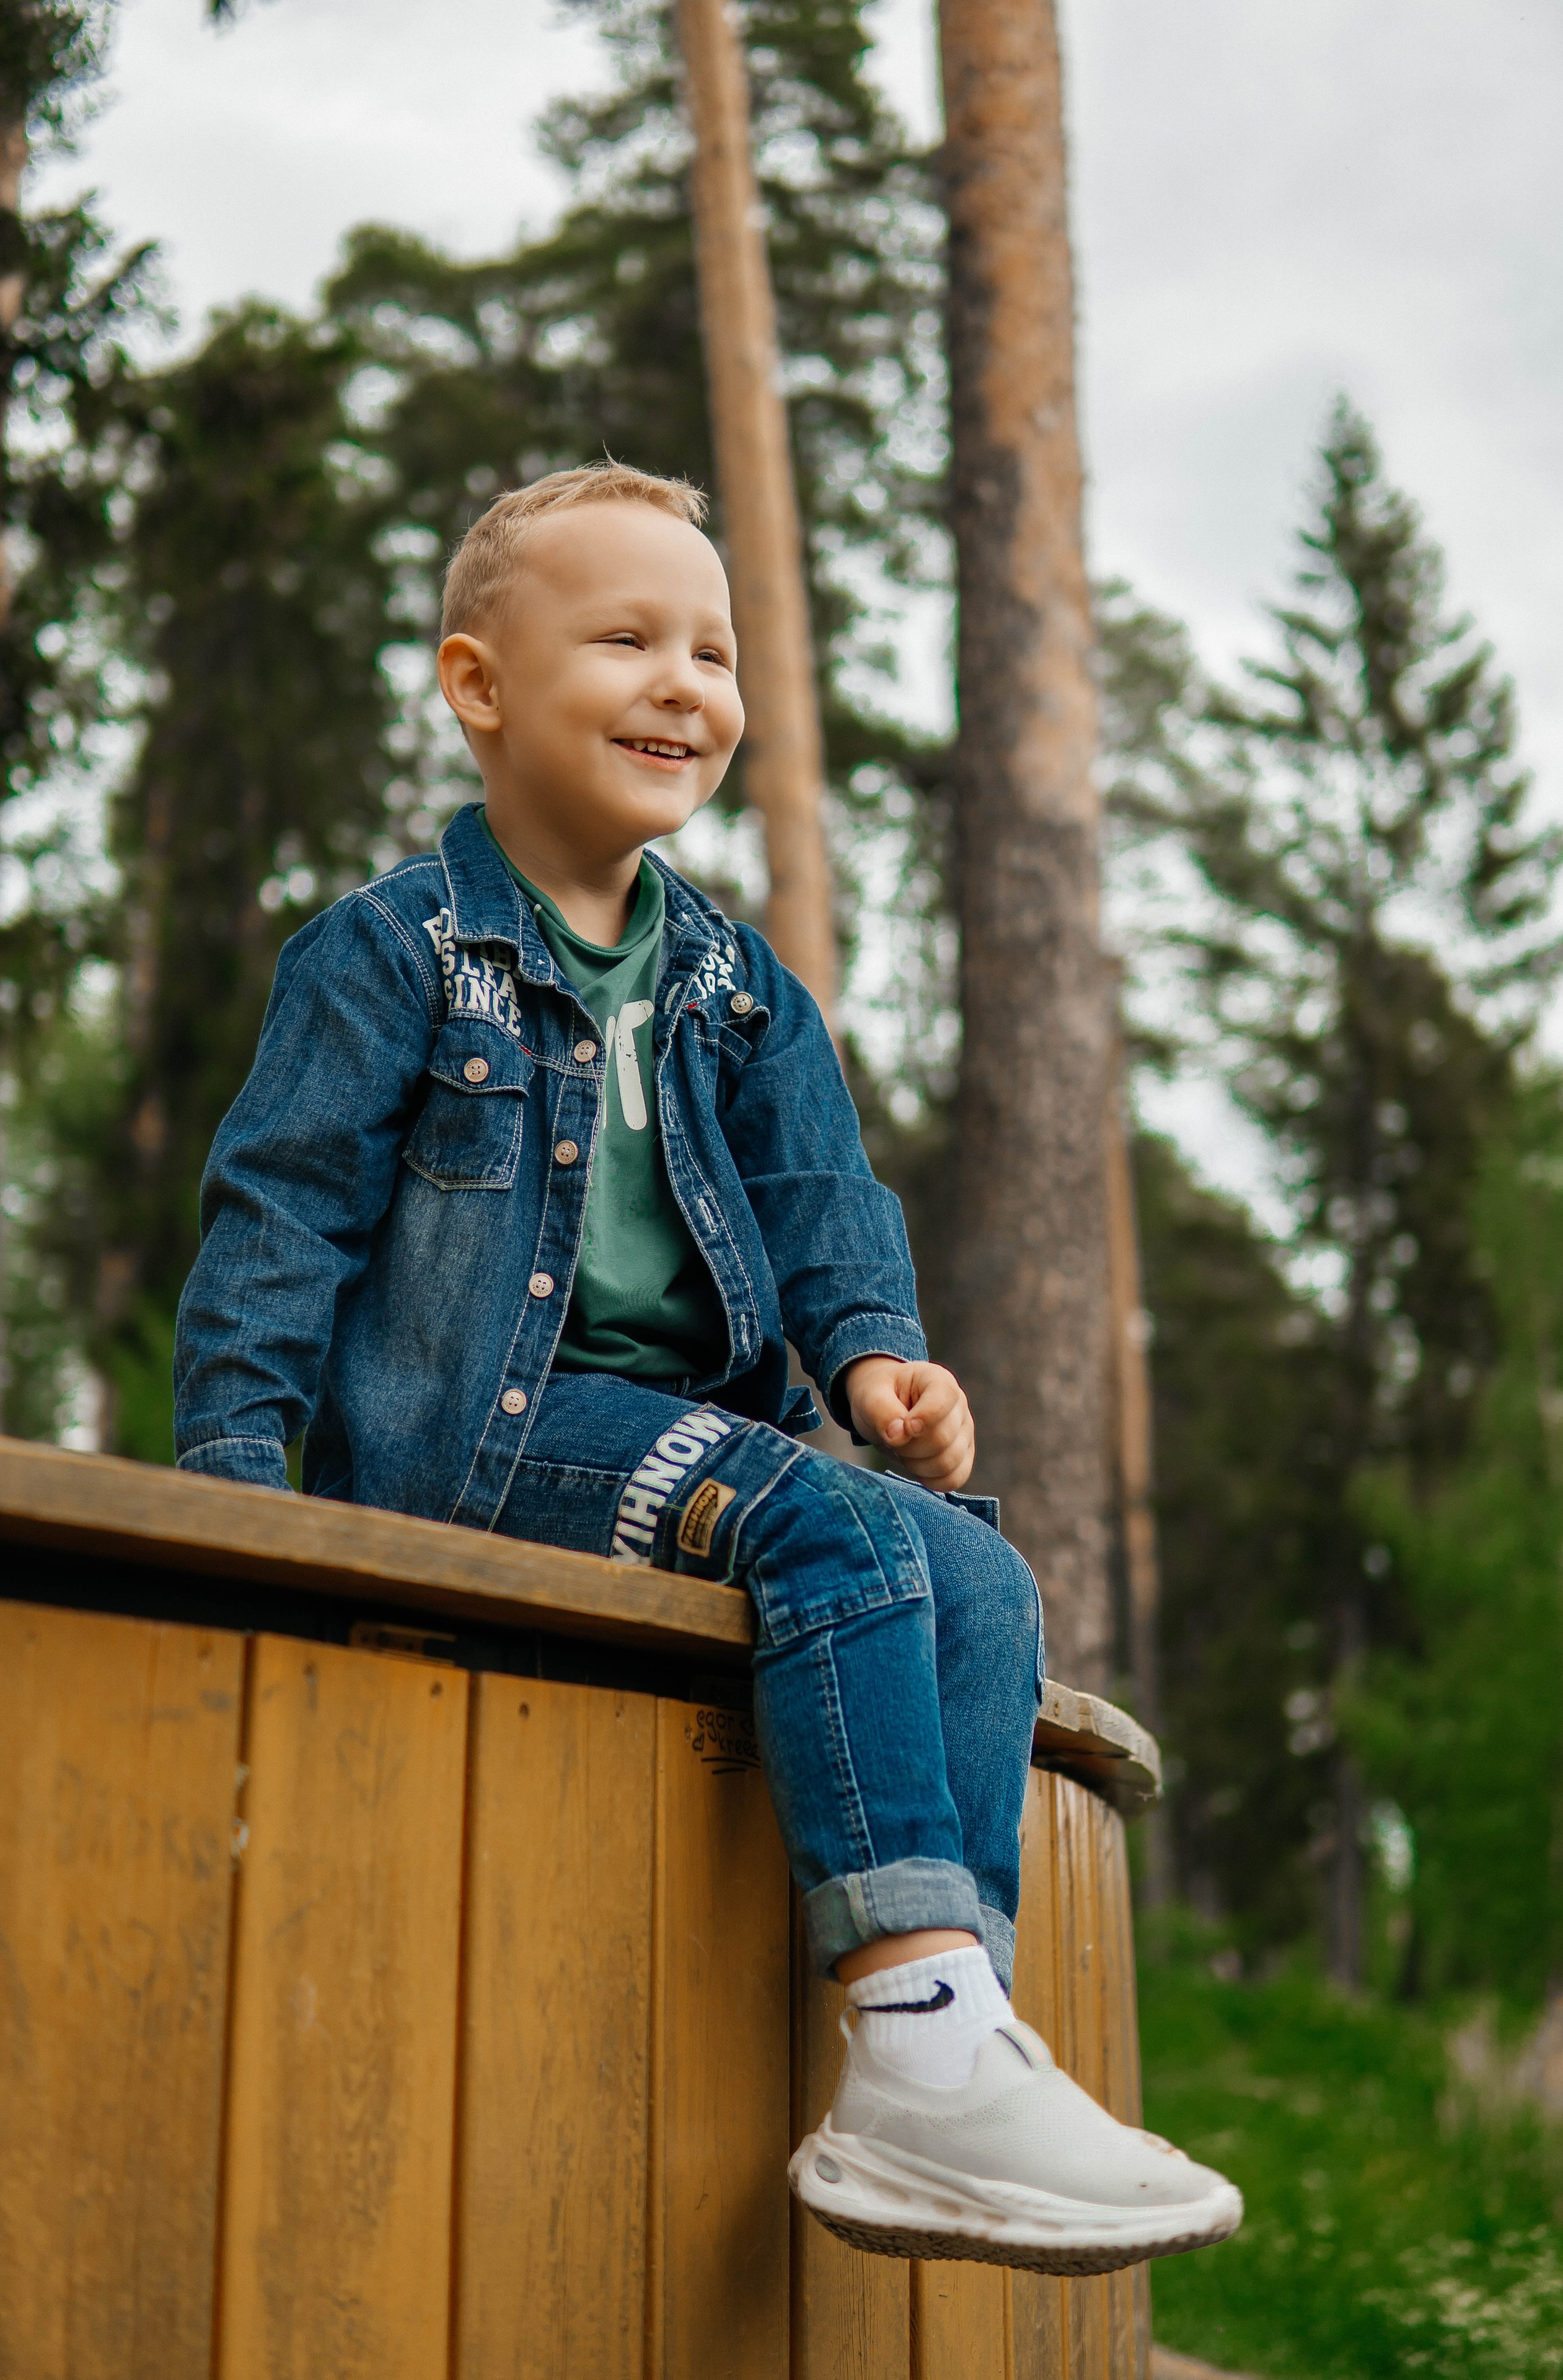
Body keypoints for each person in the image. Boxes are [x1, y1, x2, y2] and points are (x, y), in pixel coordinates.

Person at [174, 461, 1240, 2274]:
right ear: (478, 686)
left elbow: (824, 1203)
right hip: (477, 1441)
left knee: (979, 1572)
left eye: (717, 652)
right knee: (839, 1530)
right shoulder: (392, 957)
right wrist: (238, 1490)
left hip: (684, 1440)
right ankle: (925, 2040)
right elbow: (278, 1221)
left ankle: (944, 2047)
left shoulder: (740, 988)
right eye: (627, 639)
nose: (685, 682)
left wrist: (880, 1360)